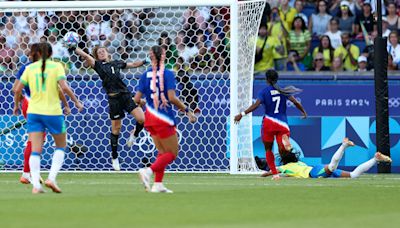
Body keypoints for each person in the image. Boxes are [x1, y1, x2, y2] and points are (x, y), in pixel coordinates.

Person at [13, 42, 83, 194]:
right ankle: (51, 178)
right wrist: (75, 101)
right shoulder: (56, 66)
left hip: (33, 112)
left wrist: (16, 106)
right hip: (52, 112)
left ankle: (36, 185)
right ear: (50, 54)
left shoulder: (29, 68)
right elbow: (63, 87)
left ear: (35, 54)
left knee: (35, 148)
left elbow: (17, 89)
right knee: (60, 146)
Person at [72, 45, 146, 171]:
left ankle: (134, 135)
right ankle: (114, 157)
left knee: (141, 119)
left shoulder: (117, 63)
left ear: (107, 52)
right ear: (97, 56)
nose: (101, 53)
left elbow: (133, 64)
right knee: (116, 129)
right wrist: (74, 47)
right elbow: (85, 56)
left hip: (126, 96)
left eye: (103, 51)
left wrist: (145, 61)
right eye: (98, 53)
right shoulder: (98, 65)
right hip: (114, 99)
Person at [135, 46, 197, 193]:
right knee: (172, 153)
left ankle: (158, 184)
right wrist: (187, 111)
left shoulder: (145, 75)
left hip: (149, 117)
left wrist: (146, 102)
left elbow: (137, 99)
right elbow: (171, 97)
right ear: (163, 56)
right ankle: (148, 171)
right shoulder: (168, 74)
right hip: (163, 118)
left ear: (151, 57)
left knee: (162, 152)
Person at [234, 69, 307, 180]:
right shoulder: (283, 90)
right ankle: (287, 148)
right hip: (282, 124)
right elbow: (296, 102)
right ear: (277, 79)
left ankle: (275, 174)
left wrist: (242, 114)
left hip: (269, 123)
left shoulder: (264, 92)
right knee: (283, 151)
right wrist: (303, 111)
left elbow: (256, 105)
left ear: (267, 79)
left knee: (268, 149)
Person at [261, 136, 392, 179]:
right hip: (315, 168)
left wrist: (262, 174)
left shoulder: (283, 168)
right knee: (353, 175)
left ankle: (344, 145)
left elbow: (272, 171)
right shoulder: (298, 163)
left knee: (331, 167)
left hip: (313, 173)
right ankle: (375, 159)